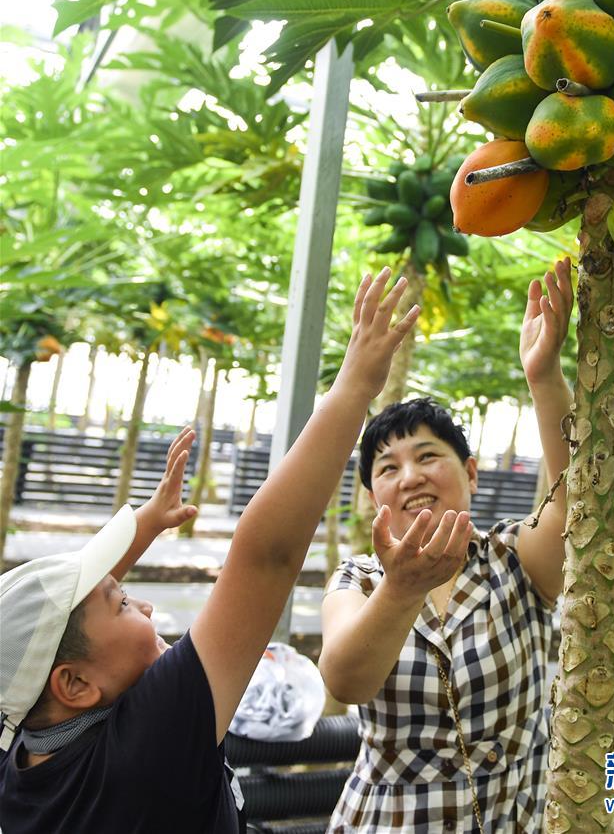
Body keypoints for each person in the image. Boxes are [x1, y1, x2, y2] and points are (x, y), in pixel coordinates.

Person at [0, 269, 421, 834]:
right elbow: (266, 557)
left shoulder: (23, 743)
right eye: (123, 604)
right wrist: (354, 387)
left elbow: (62, 634)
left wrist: (140, 531)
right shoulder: (149, 740)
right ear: (74, 685)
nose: (145, 606)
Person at [320, 258, 574, 834]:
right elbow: (345, 679)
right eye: (388, 467)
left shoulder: (514, 560)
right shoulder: (357, 580)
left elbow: (571, 504)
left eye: (429, 456)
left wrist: (544, 379)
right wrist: (402, 588)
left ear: (471, 474)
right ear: (372, 498)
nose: (410, 476)